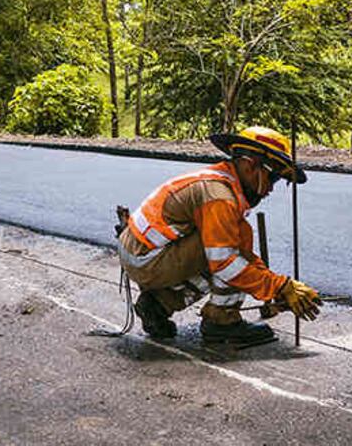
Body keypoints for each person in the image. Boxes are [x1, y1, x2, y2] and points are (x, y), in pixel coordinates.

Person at [117, 126, 322, 346]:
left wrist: (278, 289)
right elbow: (228, 263)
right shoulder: (220, 197)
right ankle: (221, 321)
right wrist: (279, 286)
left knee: (231, 245)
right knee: (227, 258)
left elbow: (244, 255)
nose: (271, 189)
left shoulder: (222, 183)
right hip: (145, 260)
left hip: (141, 254)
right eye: (272, 179)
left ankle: (159, 304)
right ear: (251, 165)